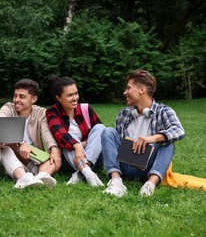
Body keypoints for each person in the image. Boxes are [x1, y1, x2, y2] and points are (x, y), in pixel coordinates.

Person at [101, 69, 185, 197]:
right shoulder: (124, 114)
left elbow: (179, 130)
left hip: (147, 169)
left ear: (142, 90)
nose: (125, 92)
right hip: (125, 166)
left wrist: (153, 138)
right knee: (108, 131)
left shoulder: (164, 111)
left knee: (168, 142)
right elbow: (116, 145)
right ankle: (116, 181)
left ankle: (149, 185)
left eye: (128, 88)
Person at [0, 79, 60, 186]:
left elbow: (47, 133)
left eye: (22, 97)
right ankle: (32, 174)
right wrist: (22, 143)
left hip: (35, 155)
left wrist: (54, 148)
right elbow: (0, 124)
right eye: (15, 96)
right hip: (15, 156)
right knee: (9, 144)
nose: (16, 100)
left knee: (54, 154)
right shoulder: (8, 108)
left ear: (34, 99)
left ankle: (41, 176)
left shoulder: (40, 112)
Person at [46, 76, 105, 187]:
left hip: (94, 158)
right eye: (70, 95)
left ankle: (83, 172)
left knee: (101, 128)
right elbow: (59, 134)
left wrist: (83, 144)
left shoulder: (86, 109)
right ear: (59, 98)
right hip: (69, 161)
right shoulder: (52, 112)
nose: (75, 98)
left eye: (76, 93)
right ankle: (88, 173)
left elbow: (99, 136)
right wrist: (77, 145)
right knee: (69, 137)